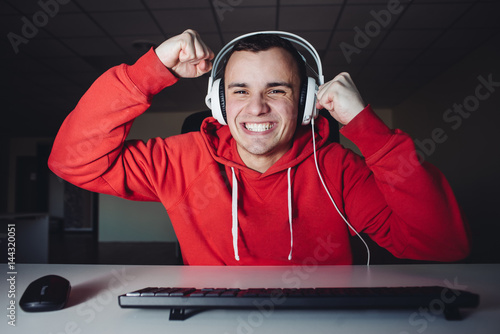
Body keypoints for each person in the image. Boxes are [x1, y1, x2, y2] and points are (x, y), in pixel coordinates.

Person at [48, 29, 470, 265]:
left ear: (306, 103)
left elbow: (441, 245)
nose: (256, 108)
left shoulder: (337, 169)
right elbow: (72, 160)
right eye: (240, 90)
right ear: (217, 102)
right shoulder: (182, 159)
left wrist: (366, 127)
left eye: (277, 90)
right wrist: (149, 72)